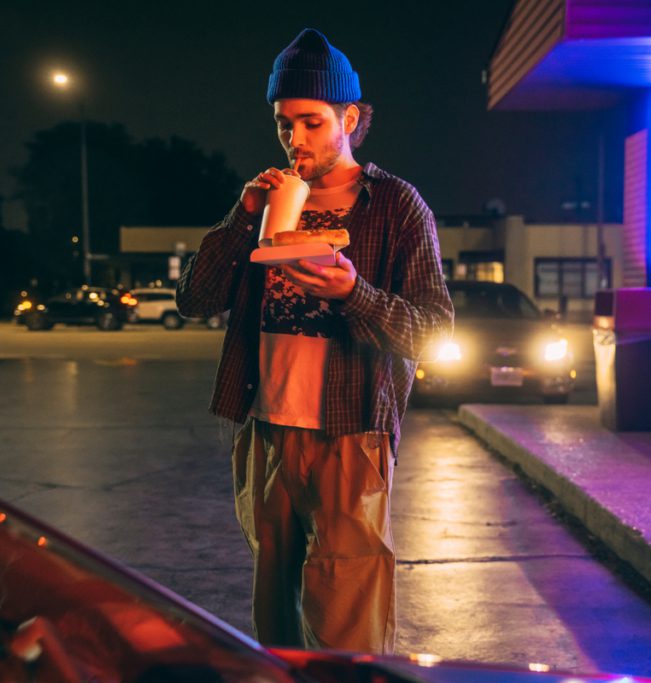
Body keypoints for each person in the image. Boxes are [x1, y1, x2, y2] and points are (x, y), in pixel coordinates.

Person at [175, 28, 453, 653]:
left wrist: (352, 292)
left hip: (349, 433)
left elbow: (432, 330)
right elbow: (195, 300)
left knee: (345, 622)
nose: (295, 140)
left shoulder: (395, 206)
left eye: (311, 122)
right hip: (266, 430)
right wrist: (242, 215)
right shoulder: (272, 202)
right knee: (274, 621)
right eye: (283, 125)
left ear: (350, 118)